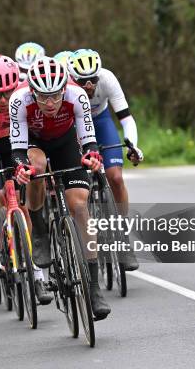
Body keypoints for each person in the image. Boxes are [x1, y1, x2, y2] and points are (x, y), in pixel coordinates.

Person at [9, 56, 110, 320]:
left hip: (66, 143)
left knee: (79, 205)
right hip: (35, 143)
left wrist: (92, 155)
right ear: (32, 92)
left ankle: (93, 286)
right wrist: (21, 167)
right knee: (37, 166)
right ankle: (40, 230)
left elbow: (88, 139)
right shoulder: (19, 100)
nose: (50, 103)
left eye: (55, 95)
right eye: (43, 97)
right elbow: (18, 149)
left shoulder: (77, 95)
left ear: (64, 89)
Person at [0, 55, 53, 304]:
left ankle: (37, 276)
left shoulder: (26, 90)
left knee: (23, 208)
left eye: (7, 93)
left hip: (16, 142)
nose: (3, 100)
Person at [67, 49, 143, 270]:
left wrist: (132, 145)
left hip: (101, 121)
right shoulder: (66, 86)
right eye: (83, 80)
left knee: (116, 177)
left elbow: (126, 118)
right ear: (73, 78)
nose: (89, 85)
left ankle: (121, 234)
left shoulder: (108, 78)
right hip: (74, 125)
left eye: (93, 79)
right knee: (82, 185)